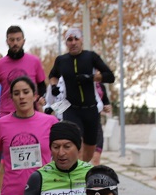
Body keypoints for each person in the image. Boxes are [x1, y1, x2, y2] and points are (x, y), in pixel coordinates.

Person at [49, 28, 116, 162]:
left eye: (76, 39)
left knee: (90, 150)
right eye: (69, 40)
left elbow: (110, 76)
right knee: (74, 145)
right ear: (66, 43)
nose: (73, 43)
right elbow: (53, 75)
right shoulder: (62, 60)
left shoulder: (91, 57)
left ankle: (82, 169)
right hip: (71, 109)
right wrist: (54, 86)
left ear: (81, 41)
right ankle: (74, 177)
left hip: (90, 109)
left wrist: (92, 77)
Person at [0, 26, 47, 118]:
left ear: (23, 41)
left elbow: (42, 85)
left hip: (31, 113)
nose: (15, 43)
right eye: (12, 40)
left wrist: (41, 97)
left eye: (18, 39)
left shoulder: (35, 61)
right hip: (7, 113)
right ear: (7, 41)